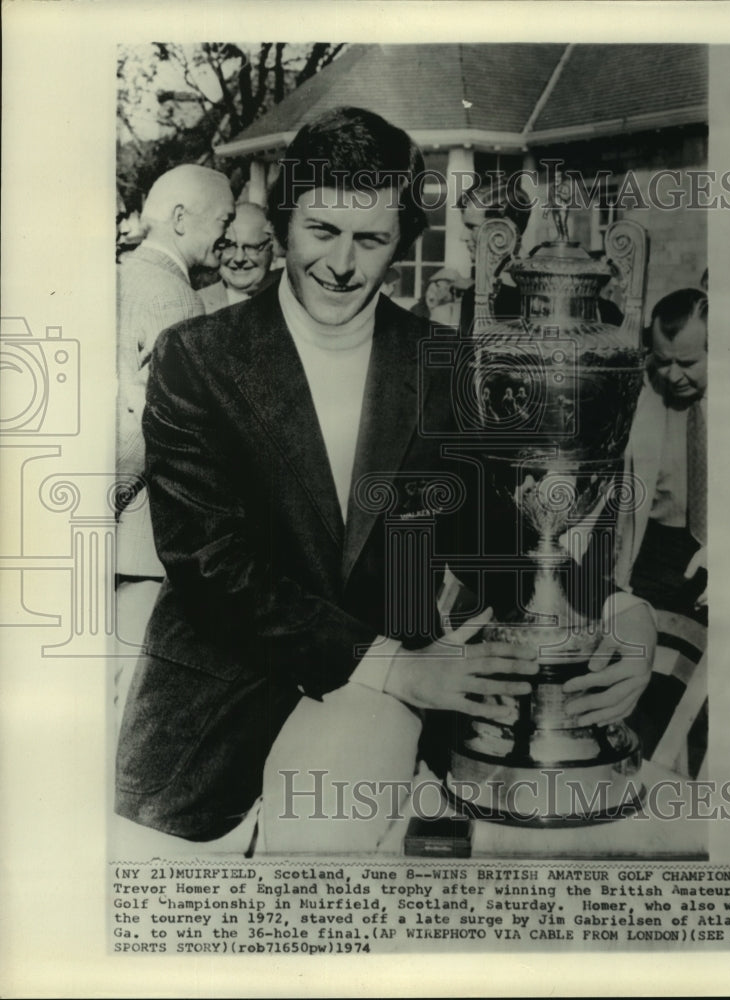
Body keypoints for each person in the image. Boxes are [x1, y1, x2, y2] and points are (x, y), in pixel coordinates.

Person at [115, 107, 654, 853]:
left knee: (324, 847)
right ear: (283, 223)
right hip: (208, 726)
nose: (341, 264)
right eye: (321, 231)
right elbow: (210, 564)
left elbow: (496, 541)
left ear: (402, 241)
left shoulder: (445, 362)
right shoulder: (195, 357)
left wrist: (617, 609)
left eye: (370, 239)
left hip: (372, 708)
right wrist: (395, 665)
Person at [115, 164, 234, 653]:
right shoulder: (179, 301)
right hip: (139, 543)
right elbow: (148, 427)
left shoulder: (122, 276)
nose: (228, 237)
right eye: (224, 221)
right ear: (181, 219)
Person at [615, 288, 708, 623]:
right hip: (654, 552)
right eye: (663, 361)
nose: (672, 376)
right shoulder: (641, 386)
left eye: (687, 363)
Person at [457, 178, 532, 337]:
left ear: (504, 227)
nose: (462, 237)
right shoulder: (474, 295)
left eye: (472, 227)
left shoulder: (538, 292)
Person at [199, 202, 276, 312]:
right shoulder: (197, 304)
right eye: (229, 247)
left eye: (251, 247)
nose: (239, 258)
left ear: (271, 246)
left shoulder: (290, 302)